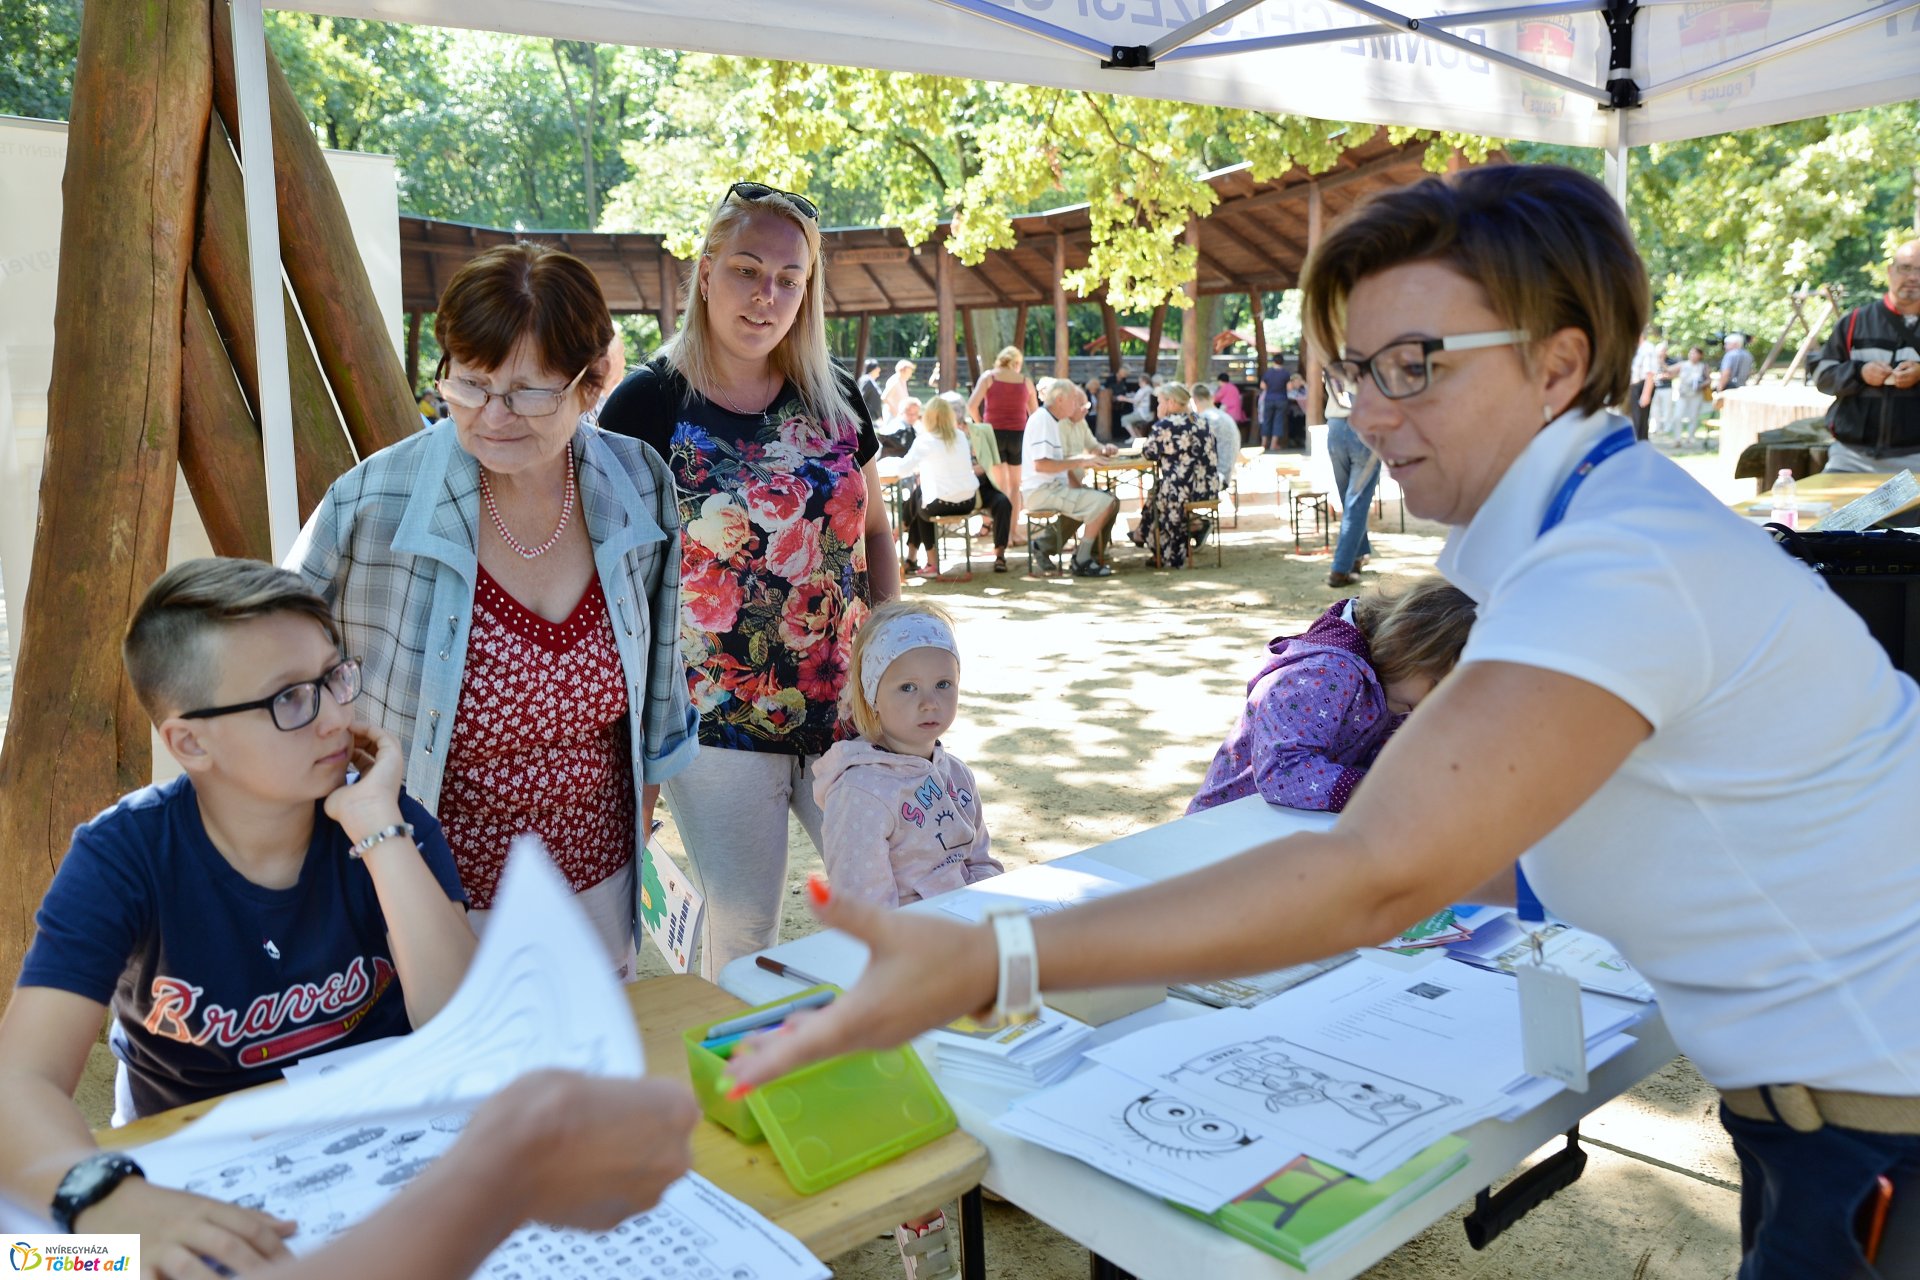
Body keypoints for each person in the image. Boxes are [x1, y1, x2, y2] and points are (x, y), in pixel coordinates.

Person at [733, 164, 1920, 1280]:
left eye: (1416, 363)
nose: (1369, 408)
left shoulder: (1612, 565)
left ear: (1560, 364)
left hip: (1877, 1119)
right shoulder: (1592, 536)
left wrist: (1000, 954)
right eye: (1357, 369)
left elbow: (1376, 873)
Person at [0, 558, 475, 1269]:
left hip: (382, 1153)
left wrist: (376, 826)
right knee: (36, 1262)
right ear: (190, 742)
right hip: (190, 1174)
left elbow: (466, 1024)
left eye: (333, 678)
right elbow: (19, 1080)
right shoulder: (123, 856)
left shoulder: (382, 818)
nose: (336, 718)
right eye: (290, 699)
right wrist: (109, 1200)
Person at [293, 243, 695, 984]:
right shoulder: (368, 505)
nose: (492, 416)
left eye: (527, 392)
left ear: (591, 383)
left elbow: (658, 685)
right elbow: (271, 673)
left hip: (596, 887)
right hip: (427, 895)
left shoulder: (639, 483)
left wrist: (645, 817)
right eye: (469, 385)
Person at [597, 182, 900, 979]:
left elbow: (872, 530)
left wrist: (894, 653)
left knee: (902, 894)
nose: (767, 296)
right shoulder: (646, 405)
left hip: (849, 713)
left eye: (789, 278)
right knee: (744, 931)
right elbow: (610, 570)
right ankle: (739, 1084)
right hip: (716, 725)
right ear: (704, 273)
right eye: (746, 270)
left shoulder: (834, 396)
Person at [1188, 580, 1475, 814]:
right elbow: (1282, 770)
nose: (1432, 705)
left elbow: (1381, 754)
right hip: (1223, 833)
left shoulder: (1393, 682)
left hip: (1280, 829)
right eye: (1435, 685)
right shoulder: (1326, 673)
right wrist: (1381, 793)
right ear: (1408, 641)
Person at [815, 599, 1001, 908]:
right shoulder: (860, 794)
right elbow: (866, 911)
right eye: (907, 687)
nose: (930, 702)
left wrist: (990, 913)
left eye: (943, 684)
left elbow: (980, 862)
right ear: (873, 696)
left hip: (969, 935)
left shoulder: (957, 774)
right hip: (911, 946)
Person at [1817, 237, 1920, 474]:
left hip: (1916, 457)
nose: (1913, 277)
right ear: (1890, 272)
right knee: (1833, 511)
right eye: (1905, 268)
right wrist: (1859, 372)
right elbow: (1822, 375)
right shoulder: (1854, 321)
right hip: (1851, 457)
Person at [900, 396, 1013, 575]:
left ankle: (912, 543)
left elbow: (903, 468)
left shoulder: (928, 439)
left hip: (961, 493)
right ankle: (909, 548)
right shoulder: (959, 436)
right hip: (967, 495)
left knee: (921, 504)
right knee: (920, 495)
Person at [1022, 381, 1120, 578]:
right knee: (1104, 502)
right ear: (1059, 400)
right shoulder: (1043, 420)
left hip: (1051, 488)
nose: (1077, 405)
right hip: (1043, 491)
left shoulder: (1049, 420)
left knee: (1104, 501)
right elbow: (1041, 465)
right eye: (1074, 400)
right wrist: (1081, 461)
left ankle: (1085, 555)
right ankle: (1082, 560)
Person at [1128, 382, 1217, 569]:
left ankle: (1161, 549)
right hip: (1208, 487)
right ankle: (1145, 537)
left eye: (1160, 402)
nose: (1158, 407)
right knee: (1158, 491)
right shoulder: (1200, 421)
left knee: (1158, 495)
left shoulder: (1167, 425)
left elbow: (1149, 453)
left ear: (1171, 402)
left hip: (1182, 491)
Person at [967, 346, 1039, 538]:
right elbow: (1035, 414)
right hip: (1018, 436)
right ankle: (1013, 533)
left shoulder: (989, 377)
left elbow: (971, 406)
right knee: (1015, 486)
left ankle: (1001, 535)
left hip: (994, 435)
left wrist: (981, 425)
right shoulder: (1025, 381)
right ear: (1016, 363)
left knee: (1001, 487)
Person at [1324, 395, 1380, 589]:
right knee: (1355, 503)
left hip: (1336, 427)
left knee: (1350, 501)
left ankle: (1358, 555)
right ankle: (1340, 568)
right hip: (1364, 425)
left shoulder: (1333, 363)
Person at [1192, 382, 1240, 493]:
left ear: (1194, 400)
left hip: (1217, 477)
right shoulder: (1224, 416)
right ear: (1211, 398)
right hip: (1228, 472)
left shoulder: (1205, 419)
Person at [1629, 323, 1664, 441]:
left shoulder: (1647, 348)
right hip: (1633, 387)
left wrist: (1646, 394)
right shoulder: (1635, 349)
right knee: (1634, 420)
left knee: (1640, 421)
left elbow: (1650, 373)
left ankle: (1641, 444)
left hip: (1642, 386)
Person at [1671, 345, 1711, 448]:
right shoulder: (1683, 364)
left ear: (1700, 355)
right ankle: (1677, 439)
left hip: (1696, 395)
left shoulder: (1703, 366)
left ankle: (1690, 438)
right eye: (1691, 352)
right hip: (1683, 395)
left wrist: (1700, 385)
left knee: (1693, 417)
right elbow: (1669, 370)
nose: (1692, 355)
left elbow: (1708, 379)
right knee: (1677, 416)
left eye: (1695, 353)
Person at [1259, 352, 1291, 451]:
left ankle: (1263, 444)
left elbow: (1262, 386)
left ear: (1273, 361)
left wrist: (1270, 388)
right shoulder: (1285, 373)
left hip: (1269, 399)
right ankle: (1273, 444)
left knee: (1266, 420)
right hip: (1281, 399)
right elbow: (1289, 388)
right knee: (1278, 421)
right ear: (1282, 362)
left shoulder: (1268, 373)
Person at [1714, 331, 1754, 395]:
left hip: (1729, 389)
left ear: (1735, 344)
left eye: (1726, 343)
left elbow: (1726, 373)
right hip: (1742, 388)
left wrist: (1719, 389)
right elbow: (1750, 371)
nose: (1724, 346)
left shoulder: (1730, 355)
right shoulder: (1748, 355)